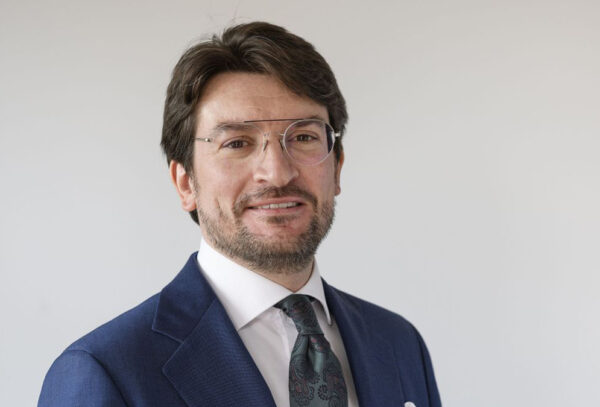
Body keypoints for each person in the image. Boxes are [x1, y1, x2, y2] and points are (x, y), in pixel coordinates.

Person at [38, 22, 442, 407]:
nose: (277, 173)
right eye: (237, 143)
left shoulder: (399, 344)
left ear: (336, 168)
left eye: (303, 137)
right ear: (185, 182)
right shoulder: (105, 371)